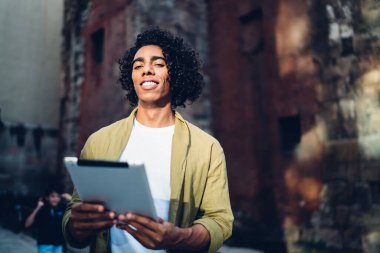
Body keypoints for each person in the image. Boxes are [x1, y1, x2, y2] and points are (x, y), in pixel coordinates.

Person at [62, 27, 233, 253]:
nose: (146, 70)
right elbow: (74, 214)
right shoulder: (98, 141)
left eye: (158, 64)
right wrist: (76, 225)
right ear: (131, 77)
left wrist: (179, 237)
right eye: (138, 66)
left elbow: (220, 221)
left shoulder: (207, 148)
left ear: (176, 73)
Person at [25, 187, 71, 253]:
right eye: (52, 196)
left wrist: (71, 199)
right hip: (45, 244)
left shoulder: (62, 208)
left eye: (58, 196)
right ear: (47, 198)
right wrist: (38, 207)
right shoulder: (42, 209)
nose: (55, 199)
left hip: (59, 244)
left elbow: (80, 210)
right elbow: (27, 224)